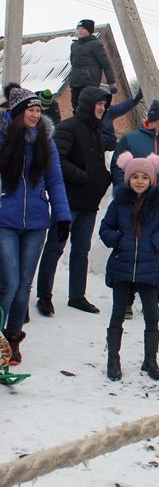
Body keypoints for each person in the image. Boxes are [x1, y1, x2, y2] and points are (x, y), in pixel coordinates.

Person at [0, 84, 71, 365]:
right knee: (9, 281)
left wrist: (62, 215)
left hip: (37, 223)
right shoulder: (3, 139)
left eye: (38, 110)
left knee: (24, 285)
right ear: (18, 112)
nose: (35, 115)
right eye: (30, 110)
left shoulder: (46, 140)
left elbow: (55, 180)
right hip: (5, 219)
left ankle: (13, 337)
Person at [99, 152, 159, 381]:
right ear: (128, 178)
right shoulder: (118, 203)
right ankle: (113, 359)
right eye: (135, 176)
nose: (140, 181)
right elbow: (105, 229)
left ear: (152, 179)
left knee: (152, 315)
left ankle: (150, 360)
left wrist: (155, 242)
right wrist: (119, 240)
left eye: (145, 176)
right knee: (117, 314)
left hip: (149, 267)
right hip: (122, 266)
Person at [35, 87, 113, 316]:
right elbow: (56, 158)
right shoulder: (68, 127)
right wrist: (84, 177)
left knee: (81, 251)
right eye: (98, 103)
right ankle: (44, 296)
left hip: (88, 205)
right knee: (54, 248)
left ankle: (77, 296)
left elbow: (96, 164)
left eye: (104, 104)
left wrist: (103, 179)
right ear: (88, 104)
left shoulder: (96, 131)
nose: (102, 108)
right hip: (67, 202)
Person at [111, 99, 159, 319]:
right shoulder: (131, 140)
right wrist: (123, 197)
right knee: (128, 253)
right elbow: (117, 168)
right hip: (130, 210)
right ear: (156, 119)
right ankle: (125, 300)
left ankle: (153, 301)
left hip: (158, 212)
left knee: (155, 256)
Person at [69, 19, 117, 110]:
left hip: (89, 82)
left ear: (89, 30)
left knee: (87, 107)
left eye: (83, 28)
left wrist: (111, 82)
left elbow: (105, 64)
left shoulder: (95, 45)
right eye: (78, 28)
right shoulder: (74, 45)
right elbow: (73, 63)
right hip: (75, 82)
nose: (80, 30)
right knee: (76, 108)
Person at [101, 88, 143, 152]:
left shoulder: (108, 110)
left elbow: (122, 107)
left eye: (103, 103)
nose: (101, 107)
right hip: (96, 143)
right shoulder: (88, 111)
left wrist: (136, 99)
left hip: (110, 142)